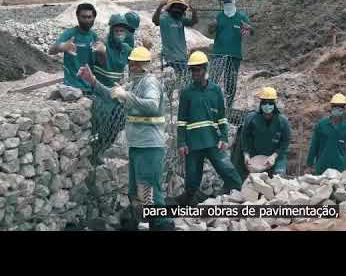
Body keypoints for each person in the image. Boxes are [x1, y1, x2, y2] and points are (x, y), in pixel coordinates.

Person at [78, 46, 175, 231]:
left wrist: (126, 95)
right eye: (130, 63)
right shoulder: (135, 84)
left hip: (149, 145)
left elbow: (153, 105)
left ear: (142, 66)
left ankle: (163, 225)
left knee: (149, 189)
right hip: (138, 144)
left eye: (133, 63)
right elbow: (112, 96)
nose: (130, 66)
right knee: (136, 190)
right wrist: (93, 81)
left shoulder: (149, 83)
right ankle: (144, 223)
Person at [173, 51, 242, 205]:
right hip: (193, 143)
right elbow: (181, 121)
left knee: (226, 169)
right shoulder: (186, 93)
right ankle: (191, 205)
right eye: (192, 70)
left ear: (205, 69)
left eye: (198, 69)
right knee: (192, 178)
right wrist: (181, 142)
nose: (195, 73)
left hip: (212, 140)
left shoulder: (215, 90)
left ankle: (241, 194)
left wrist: (224, 137)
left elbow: (222, 117)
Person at [90, 14, 133, 160]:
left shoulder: (126, 49)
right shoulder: (103, 45)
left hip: (116, 91)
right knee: (102, 119)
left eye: (123, 31)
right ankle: (98, 150)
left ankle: (109, 150)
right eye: (117, 30)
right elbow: (96, 61)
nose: (120, 34)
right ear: (111, 30)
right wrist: (100, 53)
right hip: (101, 91)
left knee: (119, 120)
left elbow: (134, 66)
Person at [209, 0, 253, 109]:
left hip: (234, 55)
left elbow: (250, 31)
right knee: (213, 80)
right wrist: (212, 26)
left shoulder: (241, 17)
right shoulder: (219, 16)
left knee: (230, 82)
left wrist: (248, 28)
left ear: (234, 1)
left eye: (229, 2)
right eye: (225, 2)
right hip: (218, 54)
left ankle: (228, 106)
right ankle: (211, 104)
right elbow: (211, 30)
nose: (227, 4)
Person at [237, 87, 291, 180]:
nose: (267, 105)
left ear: (274, 104)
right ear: (261, 103)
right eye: (265, 102)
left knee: (278, 180)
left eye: (270, 103)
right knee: (254, 183)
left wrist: (274, 156)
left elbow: (285, 142)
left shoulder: (282, 121)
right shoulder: (251, 118)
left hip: (277, 157)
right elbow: (244, 137)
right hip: (257, 156)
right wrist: (246, 154)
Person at [49, 3, 98, 92]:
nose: (87, 20)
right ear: (77, 17)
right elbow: (51, 51)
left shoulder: (94, 36)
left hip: (90, 86)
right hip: (72, 86)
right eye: (83, 17)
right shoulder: (69, 34)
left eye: (89, 17)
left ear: (94, 18)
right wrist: (62, 46)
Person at [306, 93, 346, 175]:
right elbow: (314, 145)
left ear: (344, 108)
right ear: (331, 107)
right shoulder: (321, 125)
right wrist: (309, 165)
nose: (338, 108)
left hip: (339, 169)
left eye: (341, 106)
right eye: (335, 106)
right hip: (322, 168)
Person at [155, 0, 198, 75]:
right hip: (170, 56)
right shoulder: (164, 17)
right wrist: (160, 7)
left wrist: (194, 11)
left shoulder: (181, 19)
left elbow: (193, 22)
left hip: (182, 56)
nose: (178, 10)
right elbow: (155, 21)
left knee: (184, 78)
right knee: (174, 78)